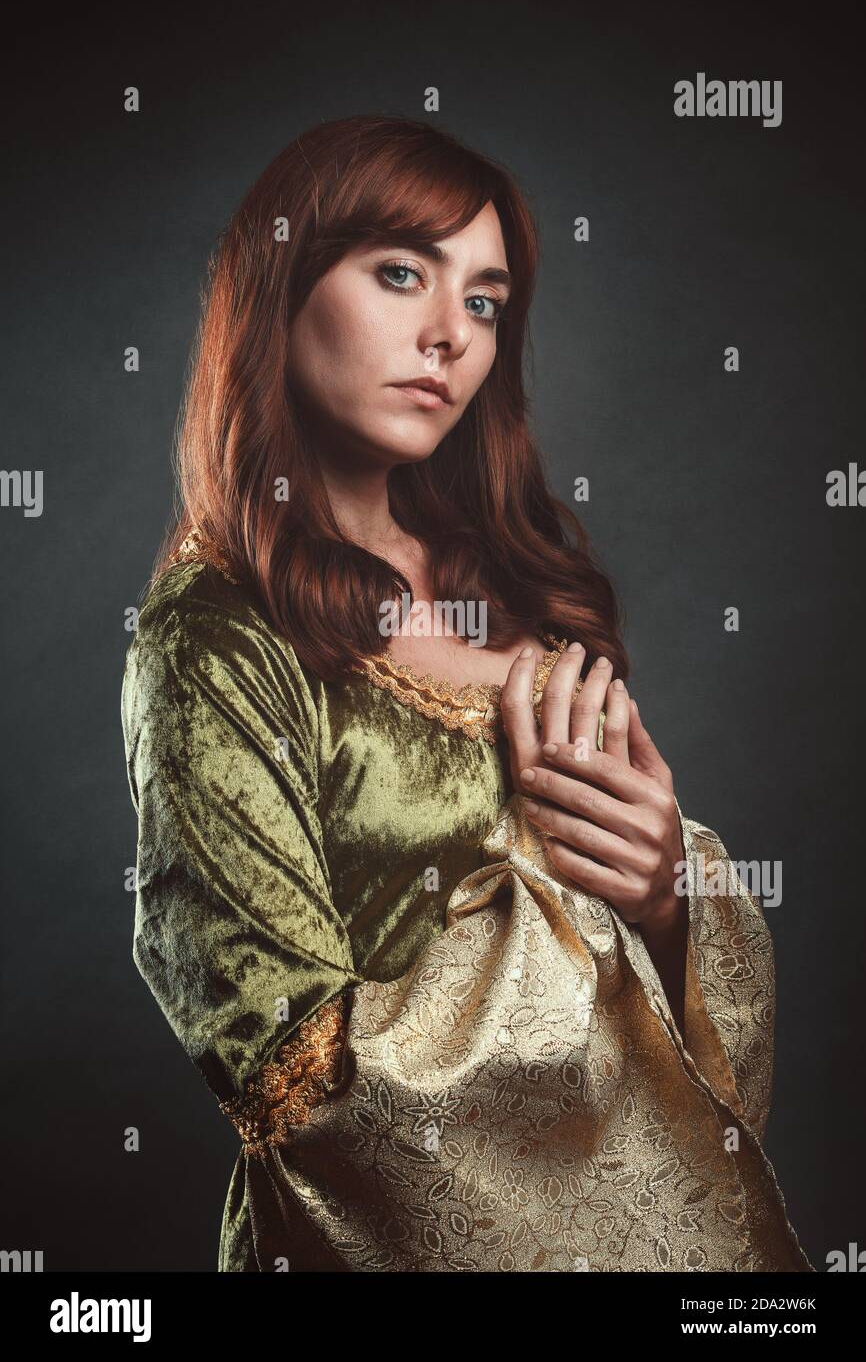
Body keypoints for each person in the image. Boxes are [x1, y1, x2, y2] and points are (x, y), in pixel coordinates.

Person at [121, 114, 813, 1273]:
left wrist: (665, 892)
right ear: (280, 281)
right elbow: (295, 1078)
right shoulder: (214, 636)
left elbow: (675, 997)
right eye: (399, 274)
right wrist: (543, 920)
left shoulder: (511, 578)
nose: (447, 335)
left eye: (484, 301)